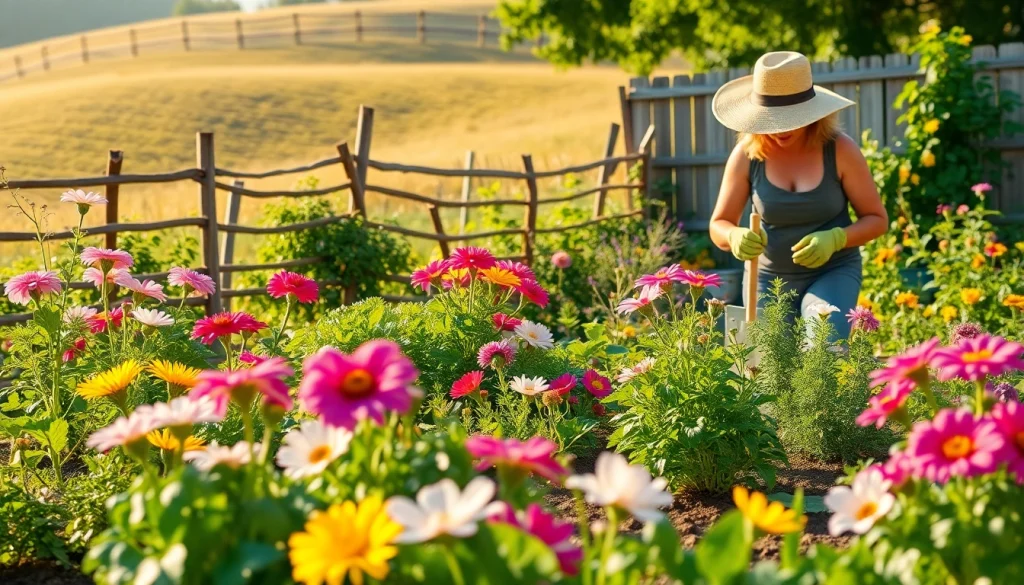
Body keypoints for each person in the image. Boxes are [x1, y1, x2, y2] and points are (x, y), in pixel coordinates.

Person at [709, 51, 888, 341]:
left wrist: (836, 238)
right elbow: (719, 224)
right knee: (768, 369)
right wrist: (733, 236)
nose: (780, 129)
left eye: (791, 118)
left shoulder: (840, 150)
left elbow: (877, 220)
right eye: (772, 118)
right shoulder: (747, 155)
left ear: (811, 111)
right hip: (766, 280)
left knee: (823, 344)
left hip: (832, 272)